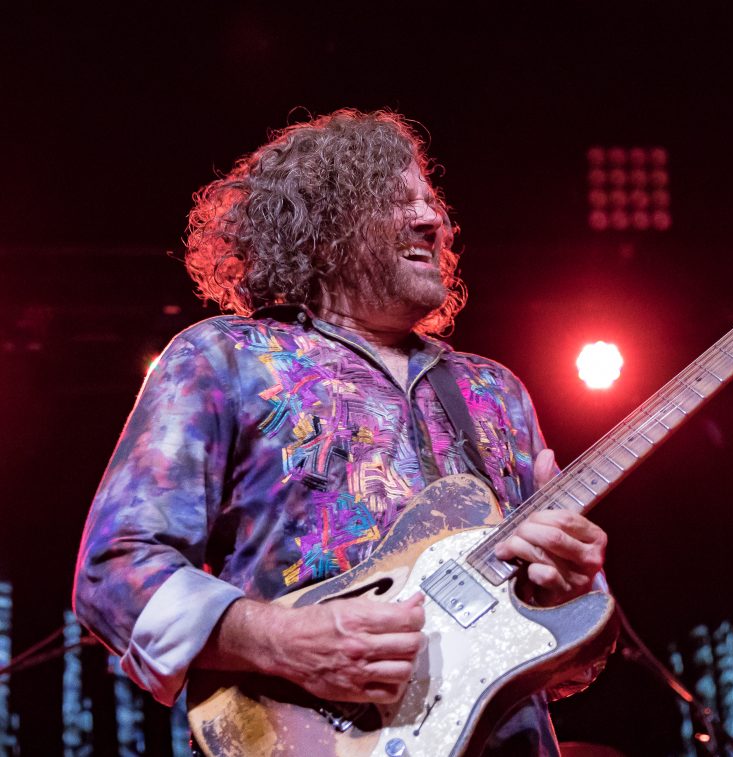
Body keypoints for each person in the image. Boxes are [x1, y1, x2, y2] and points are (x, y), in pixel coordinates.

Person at [73, 108, 609, 754]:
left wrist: (569, 591)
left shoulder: (495, 391)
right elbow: (116, 569)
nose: (432, 220)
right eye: (396, 201)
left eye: (433, 203)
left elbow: (570, 667)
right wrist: (280, 639)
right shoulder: (226, 357)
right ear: (322, 231)